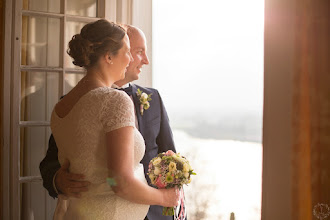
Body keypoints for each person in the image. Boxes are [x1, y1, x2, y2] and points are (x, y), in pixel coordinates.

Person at [47, 19, 179, 219]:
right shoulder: (115, 99)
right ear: (108, 56)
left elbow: (101, 176)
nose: (130, 59)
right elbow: (119, 182)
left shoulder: (61, 108)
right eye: (128, 51)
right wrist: (165, 198)